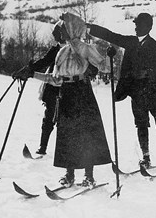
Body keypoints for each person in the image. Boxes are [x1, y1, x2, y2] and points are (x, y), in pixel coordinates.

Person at [13, 12, 111, 188]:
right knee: (67, 134)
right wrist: (32, 74)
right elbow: (56, 79)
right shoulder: (61, 52)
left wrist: (109, 56)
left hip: (83, 93)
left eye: (63, 27)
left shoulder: (85, 48)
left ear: (72, 28)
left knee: (86, 133)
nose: (60, 30)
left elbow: (104, 67)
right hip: (66, 93)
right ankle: (69, 174)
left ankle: (89, 176)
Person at [86, 12, 156, 169]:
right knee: (141, 124)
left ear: (148, 27)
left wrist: (148, 72)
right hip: (137, 94)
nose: (135, 27)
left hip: (155, 93)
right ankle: (146, 157)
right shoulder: (130, 42)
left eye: (139, 24)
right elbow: (111, 35)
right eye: (135, 24)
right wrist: (90, 28)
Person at [14, 24, 66, 155]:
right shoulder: (55, 50)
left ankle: (63, 152)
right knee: (49, 117)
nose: (59, 39)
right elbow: (43, 62)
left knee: (64, 120)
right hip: (52, 88)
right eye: (58, 37)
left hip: (68, 88)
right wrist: (29, 70)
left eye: (60, 36)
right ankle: (43, 147)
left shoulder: (74, 50)